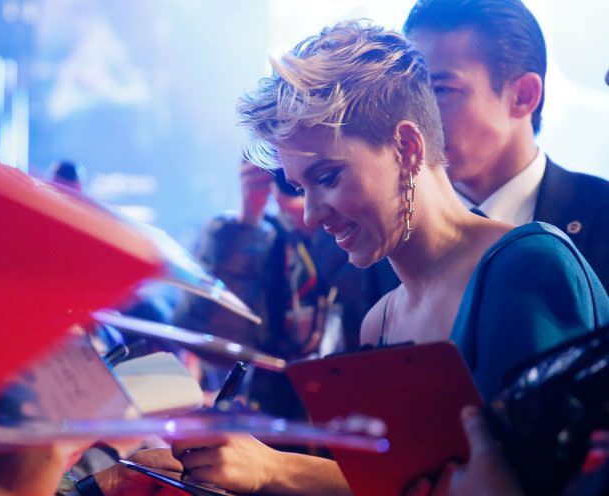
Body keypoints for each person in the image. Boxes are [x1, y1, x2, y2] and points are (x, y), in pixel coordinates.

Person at [138, 21, 609, 496]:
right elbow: (396, 485)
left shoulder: (527, 266)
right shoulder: (380, 317)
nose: (311, 213)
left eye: (327, 177)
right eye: (301, 187)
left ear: (407, 147)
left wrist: (276, 470)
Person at [400, 0, 609, 292]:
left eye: (442, 90)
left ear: (523, 96)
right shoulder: (392, 232)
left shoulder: (602, 215)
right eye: (410, 95)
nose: (415, 119)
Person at [172, 157, 377, 419]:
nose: (304, 196)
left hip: (354, 412)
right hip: (278, 420)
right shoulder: (256, 241)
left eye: (321, 177)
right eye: (291, 180)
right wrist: (247, 222)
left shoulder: (369, 235)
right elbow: (211, 342)